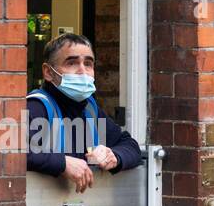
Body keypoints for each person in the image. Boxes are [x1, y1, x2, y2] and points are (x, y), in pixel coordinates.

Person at [26, 33, 142, 192]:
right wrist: (63, 163)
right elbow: (12, 153)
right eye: (72, 63)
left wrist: (114, 156)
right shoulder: (36, 106)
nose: (83, 71)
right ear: (48, 72)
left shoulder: (90, 109)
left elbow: (131, 146)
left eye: (88, 63)